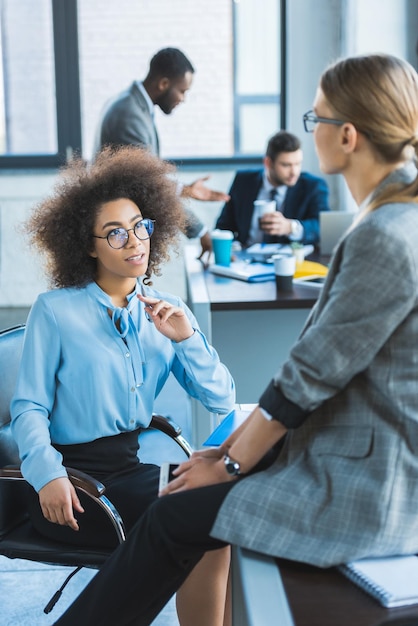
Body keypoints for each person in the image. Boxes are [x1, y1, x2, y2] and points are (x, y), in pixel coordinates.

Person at [53, 52, 418, 626]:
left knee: (173, 513)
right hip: (355, 457)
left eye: (316, 120)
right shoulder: (395, 217)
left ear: (347, 136)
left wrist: (228, 467)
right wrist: (226, 454)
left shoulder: (385, 233)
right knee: (179, 499)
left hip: (366, 489)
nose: (311, 129)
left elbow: (307, 378)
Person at [10, 146, 235, 626]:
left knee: (226, 509)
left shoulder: (166, 308)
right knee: (204, 522)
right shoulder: (55, 310)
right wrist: (47, 473)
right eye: (115, 233)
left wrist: (187, 337)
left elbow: (222, 398)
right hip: (71, 483)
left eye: (140, 226)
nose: (135, 241)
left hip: (130, 471)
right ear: (87, 245)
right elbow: (27, 408)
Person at [95, 47, 229, 260]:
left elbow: (144, 178)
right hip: (116, 235)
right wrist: (200, 230)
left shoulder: (133, 106)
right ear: (164, 83)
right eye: (182, 91)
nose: (183, 99)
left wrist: (185, 190)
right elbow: (145, 184)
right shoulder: (130, 116)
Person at [215, 130, 330, 247]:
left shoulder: (313, 186)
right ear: (268, 163)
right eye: (286, 165)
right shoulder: (243, 181)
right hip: (246, 258)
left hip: (291, 260)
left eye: (298, 164)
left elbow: (322, 227)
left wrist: (291, 227)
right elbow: (224, 226)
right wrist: (232, 246)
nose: (294, 172)